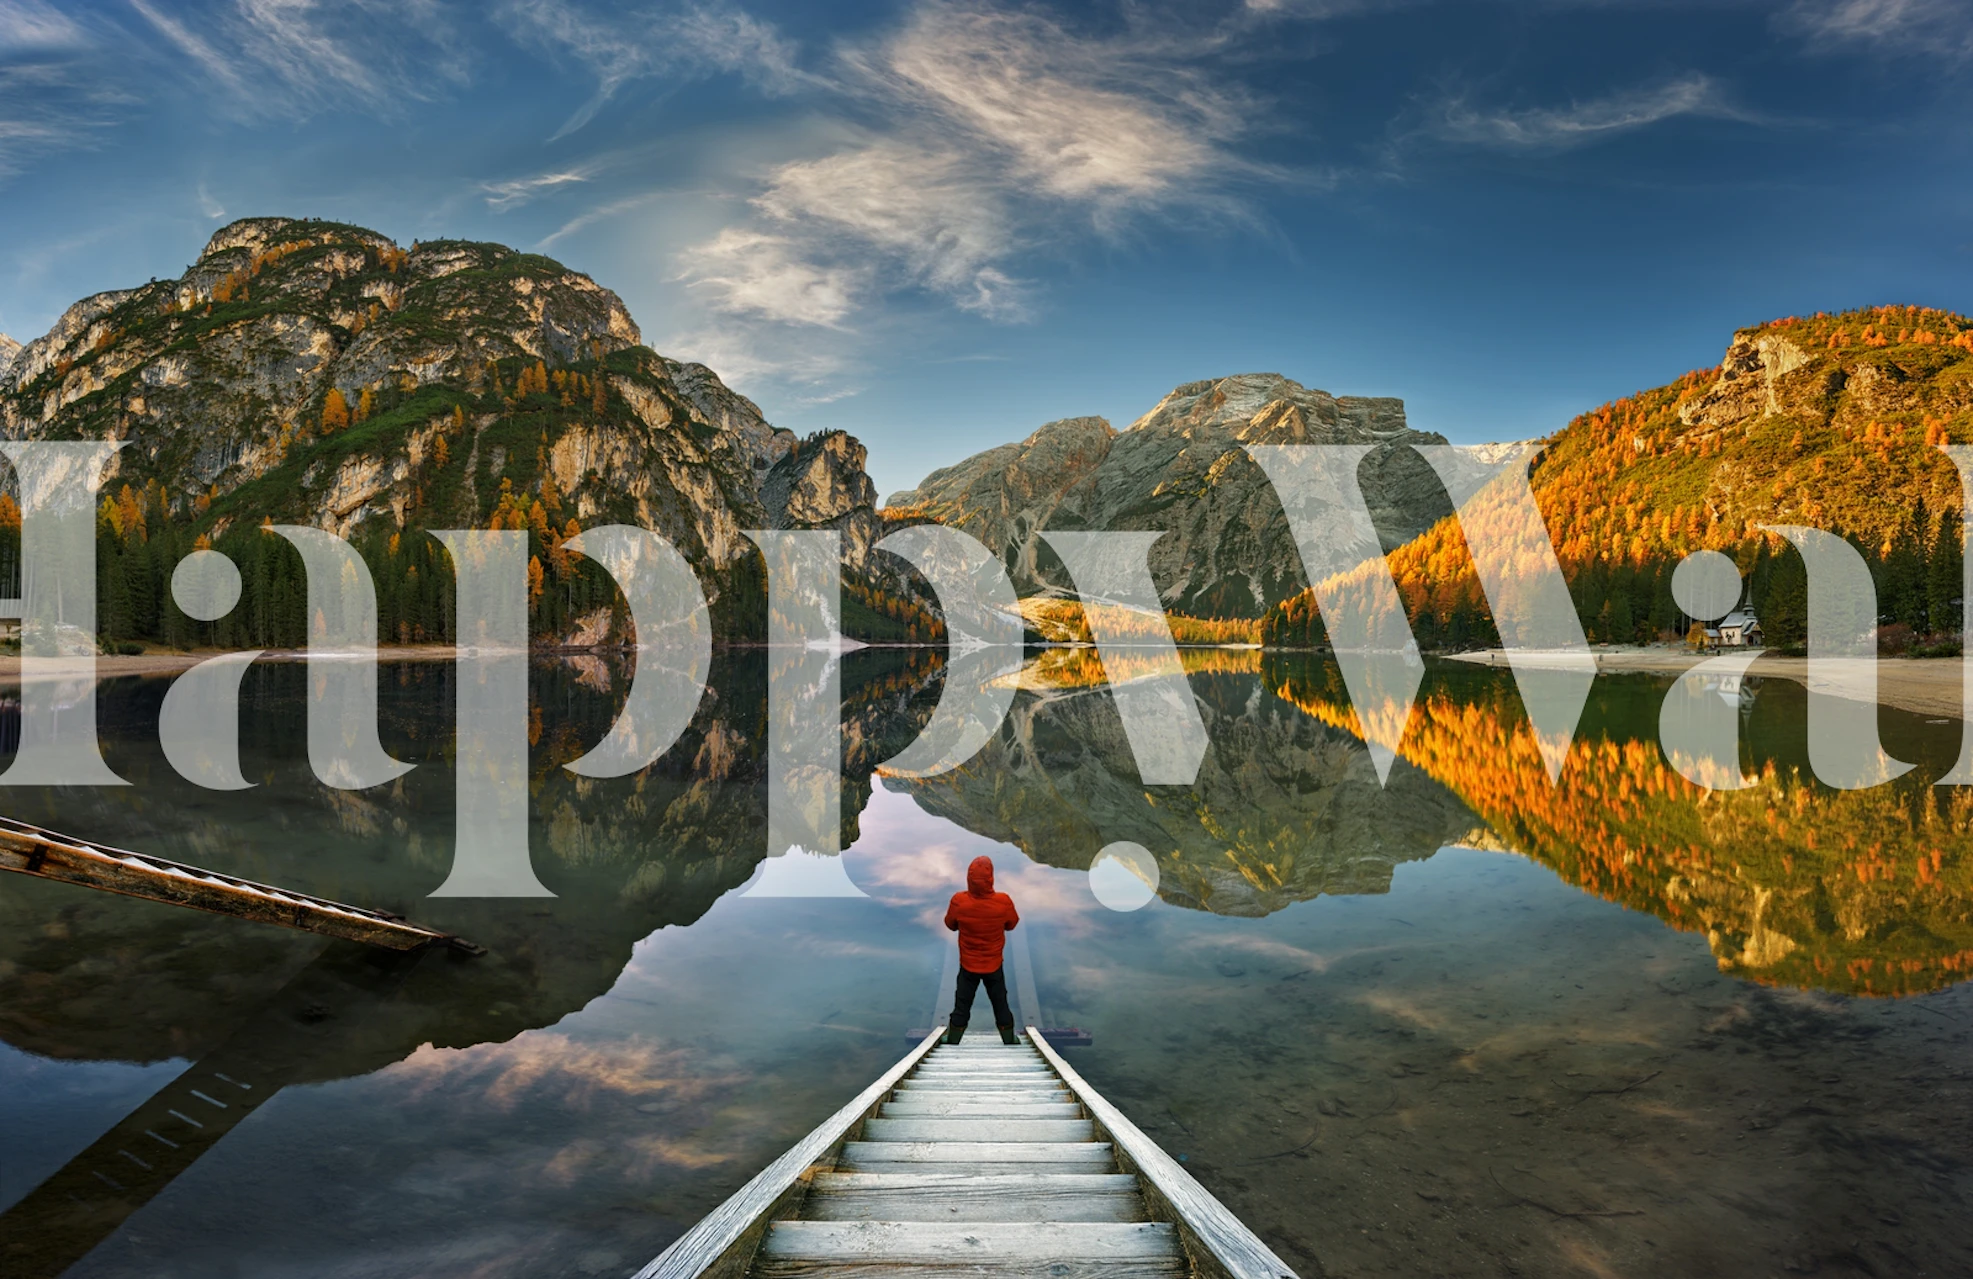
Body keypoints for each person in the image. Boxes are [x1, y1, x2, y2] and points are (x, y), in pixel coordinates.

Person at [944, 855, 1020, 1045]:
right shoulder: (1003, 901)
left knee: (961, 1005)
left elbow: (950, 924)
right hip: (994, 965)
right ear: (991, 879)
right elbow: (1012, 924)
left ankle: (953, 1041)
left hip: (968, 965)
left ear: (969, 879)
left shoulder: (959, 901)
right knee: (1000, 1003)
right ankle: (1009, 1041)